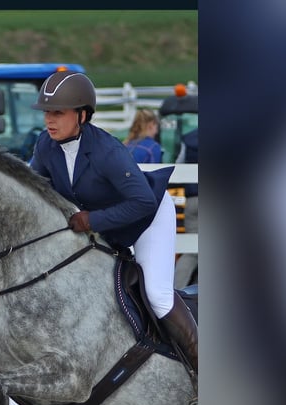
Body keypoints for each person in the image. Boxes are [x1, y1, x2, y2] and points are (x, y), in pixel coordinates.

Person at [28, 71, 197, 376]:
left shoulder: (107, 151)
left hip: (149, 218)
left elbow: (143, 201)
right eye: (46, 113)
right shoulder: (45, 146)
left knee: (157, 294)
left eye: (57, 113)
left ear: (81, 115)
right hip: (106, 226)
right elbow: (33, 190)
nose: (49, 120)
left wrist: (91, 219)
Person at [173, 127, 199, 288]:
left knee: (191, 251)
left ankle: (177, 289)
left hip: (192, 199)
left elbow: (178, 165)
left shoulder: (189, 138)